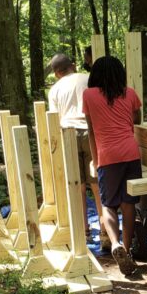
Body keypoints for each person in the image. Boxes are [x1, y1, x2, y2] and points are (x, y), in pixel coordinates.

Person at [83, 56, 142, 276]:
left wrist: (96, 160)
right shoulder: (129, 93)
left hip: (108, 155)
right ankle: (127, 250)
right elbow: (136, 117)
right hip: (131, 152)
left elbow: (91, 130)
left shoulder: (88, 95)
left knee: (108, 204)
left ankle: (115, 244)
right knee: (129, 204)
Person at [47, 53, 110, 251]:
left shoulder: (55, 90)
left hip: (68, 135)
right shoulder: (88, 79)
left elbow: (54, 119)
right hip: (92, 131)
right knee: (97, 184)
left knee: (77, 185)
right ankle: (105, 232)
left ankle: (82, 232)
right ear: (73, 66)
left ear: (57, 73)